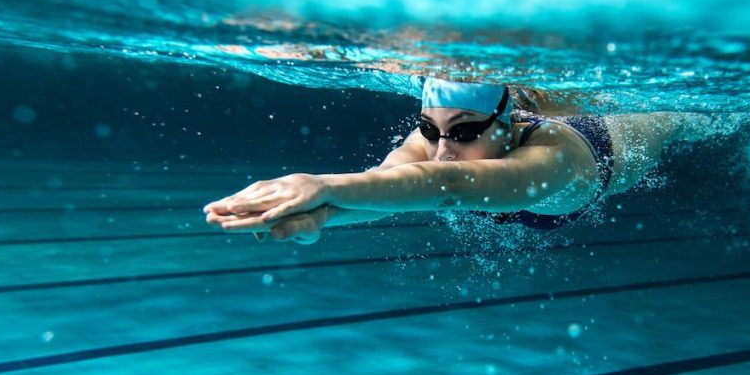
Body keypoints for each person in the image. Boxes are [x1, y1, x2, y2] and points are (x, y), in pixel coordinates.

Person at [203, 77, 681, 244]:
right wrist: (319, 218)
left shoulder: (555, 159)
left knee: (684, 118)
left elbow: (450, 186)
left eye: (466, 132)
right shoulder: (434, 145)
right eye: (430, 130)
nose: (442, 150)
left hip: (623, 136)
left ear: (507, 125)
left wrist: (321, 185)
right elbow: (386, 187)